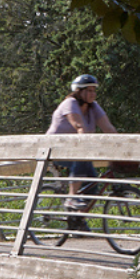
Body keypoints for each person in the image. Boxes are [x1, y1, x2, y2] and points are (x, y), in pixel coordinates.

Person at [45, 74, 118, 225]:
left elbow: (108, 128)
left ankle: (77, 221)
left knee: (92, 186)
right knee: (81, 159)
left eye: (94, 90)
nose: (92, 94)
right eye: (88, 90)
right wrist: (88, 147)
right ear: (79, 92)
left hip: (78, 150)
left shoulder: (94, 107)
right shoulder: (70, 103)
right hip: (54, 149)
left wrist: (121, 145)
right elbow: (79, 127)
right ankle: (71, 197)